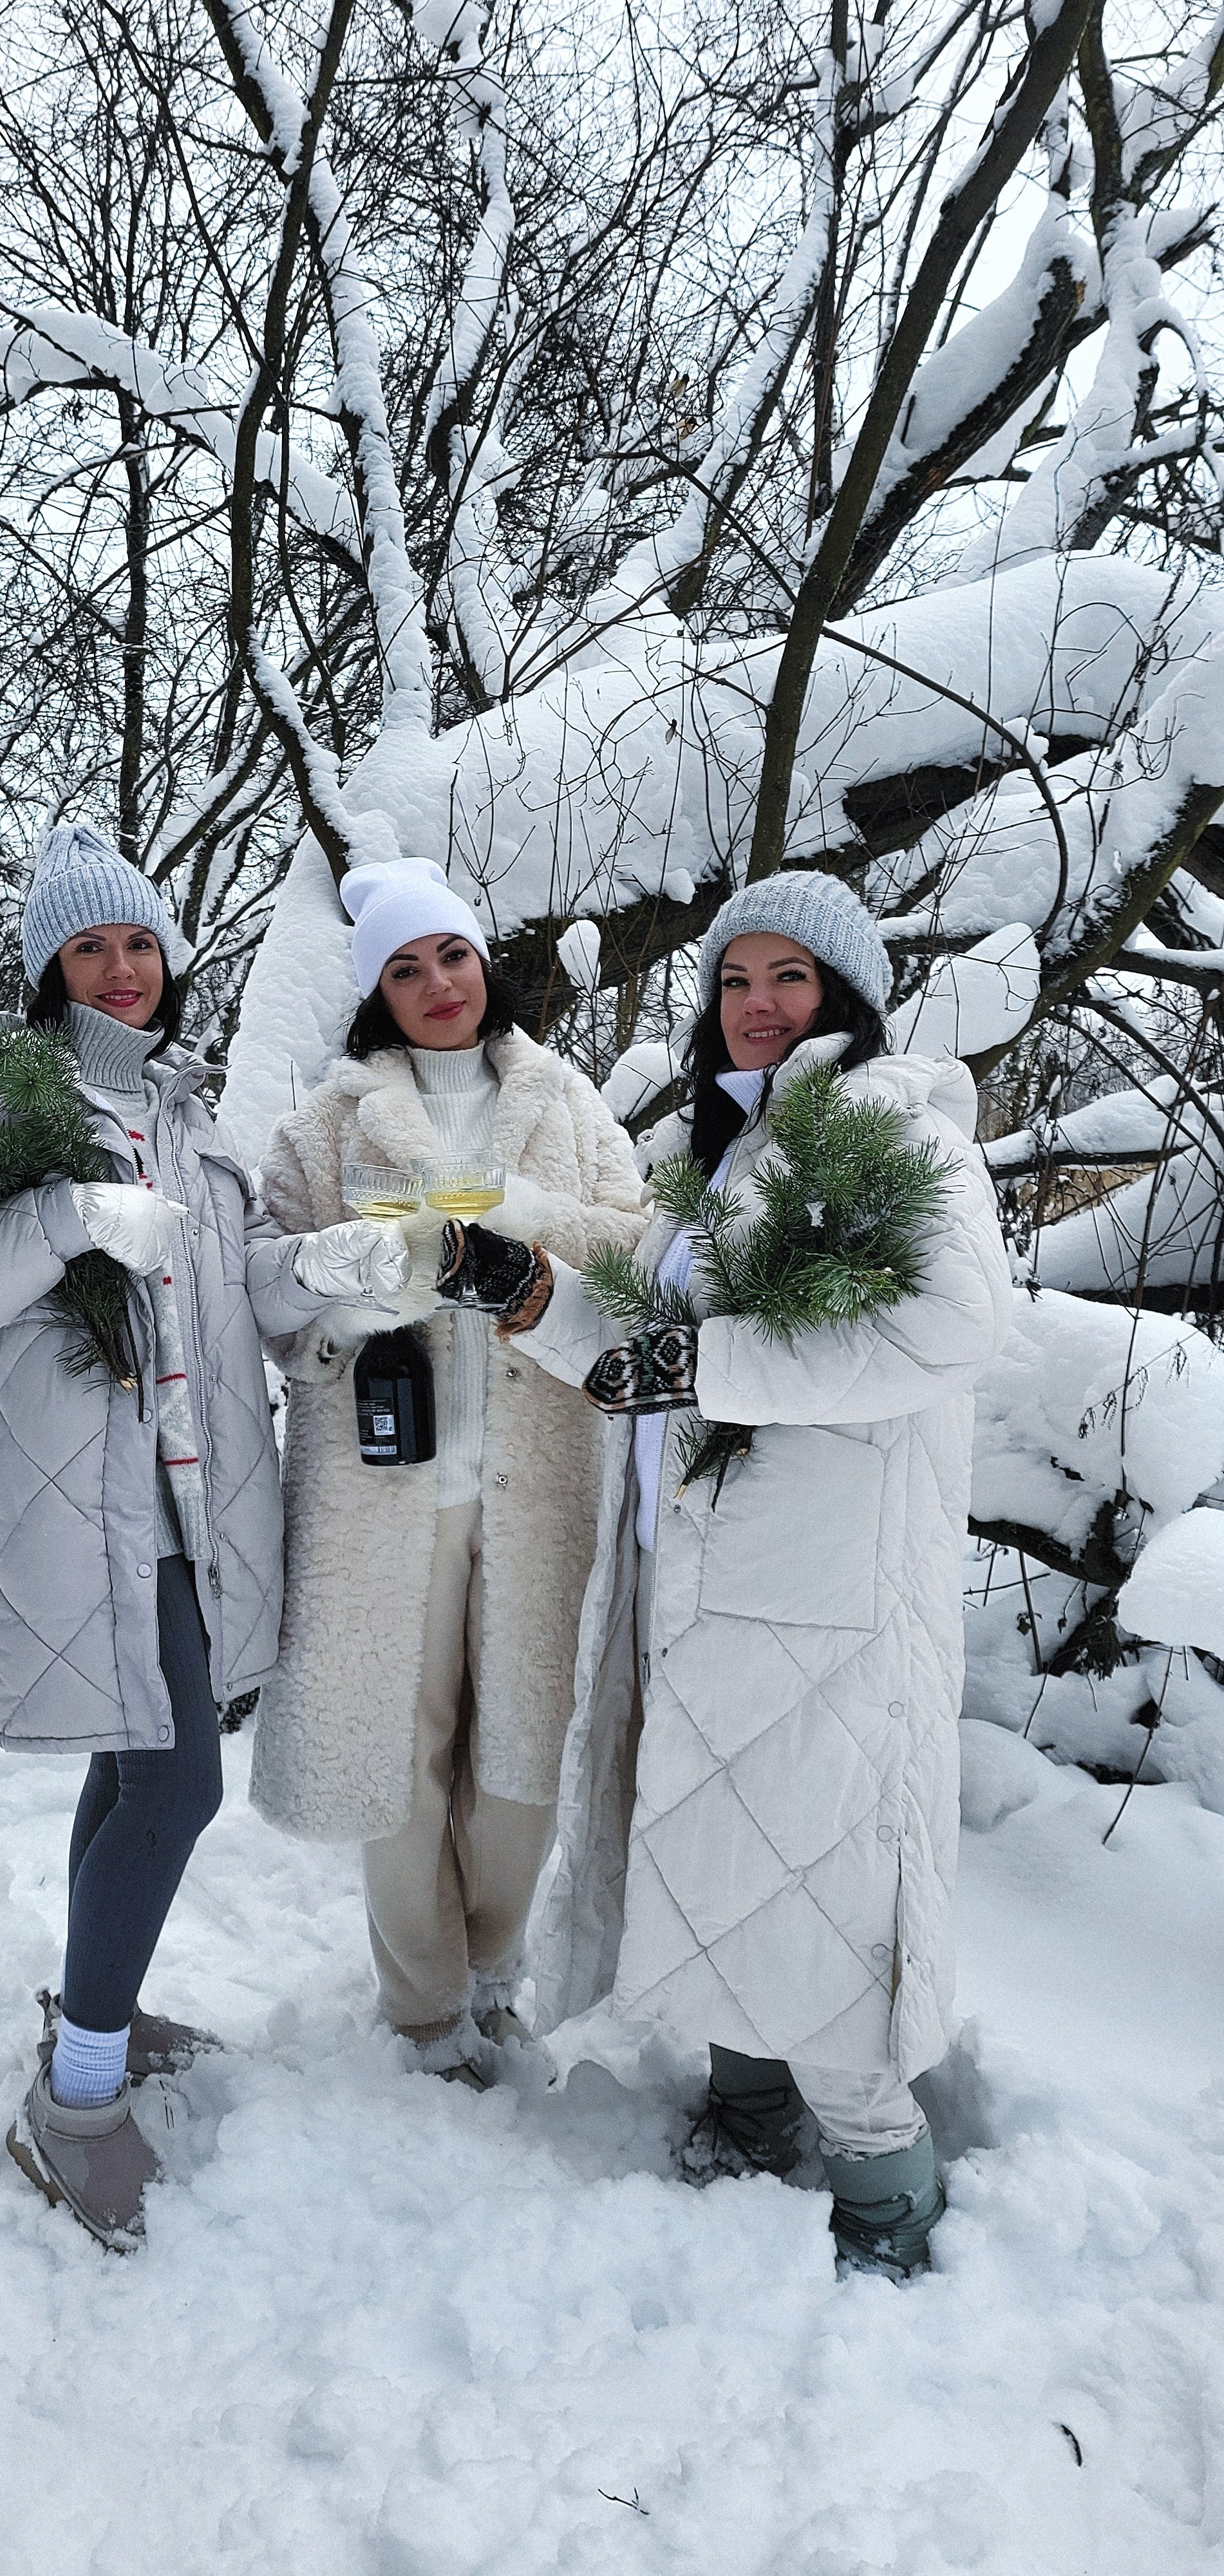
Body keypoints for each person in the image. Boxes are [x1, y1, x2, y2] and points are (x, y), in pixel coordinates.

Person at [444, 871, 1012, 2273]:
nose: (757, 1005)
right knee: (724, 1862)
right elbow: (648, 1357)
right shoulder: (723, 1160)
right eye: (735, 981)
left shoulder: (896, 1133)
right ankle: (748, 2105)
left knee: (823, 1890)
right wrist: (525, 1294)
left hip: (823, 1601)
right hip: (691, 1581)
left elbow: (950, 1328)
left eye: (788, 978)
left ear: (846, 994)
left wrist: (706, 1362)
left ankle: (885, 2186)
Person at [0, 823, 406, 2245]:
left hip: (191, 1501)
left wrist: (319, 1267)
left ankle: (86, 2006)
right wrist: (62, 1215)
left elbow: (229, 1292)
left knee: (134, 1768)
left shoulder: (184, 1107)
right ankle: (76, 2102)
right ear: (49, 968)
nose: (120, 970)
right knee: (178, 1789)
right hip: (84, 1508)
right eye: (88, 947)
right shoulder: (5, 1102)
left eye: (137, 943)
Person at [254, 856, 648, 2087]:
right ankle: (422, 2002)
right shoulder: (325, 1127)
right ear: (376, 992)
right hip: (383, 1489)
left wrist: (520, 1216)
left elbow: (638, 1257)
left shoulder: (569, 1107)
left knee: (525, 1745)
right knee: (399, 1745)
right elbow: (274, 1300)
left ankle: (493, 1969)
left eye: (453, 956)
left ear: (486, 963)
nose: (438, 984)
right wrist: (369, 1283)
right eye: (406, 968)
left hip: (541, 1482)